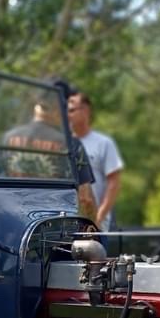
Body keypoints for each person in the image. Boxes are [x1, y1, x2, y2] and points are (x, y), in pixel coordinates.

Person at [0, 95, 96, 218]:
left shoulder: (8, 137)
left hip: (12, 218)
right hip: (50, 222)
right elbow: (85, 199)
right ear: (57, 110)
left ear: (36, 107)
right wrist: (94, 226)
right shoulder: (71, 144)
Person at [66, 91, 124, 231]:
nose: (67, 115)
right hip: (68, 225)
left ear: (86, 111)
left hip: (96, 226)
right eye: (65, 110)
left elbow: (114, 184)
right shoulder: (63, 144)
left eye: (72, 110)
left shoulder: (104, 143)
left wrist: (99, 217)